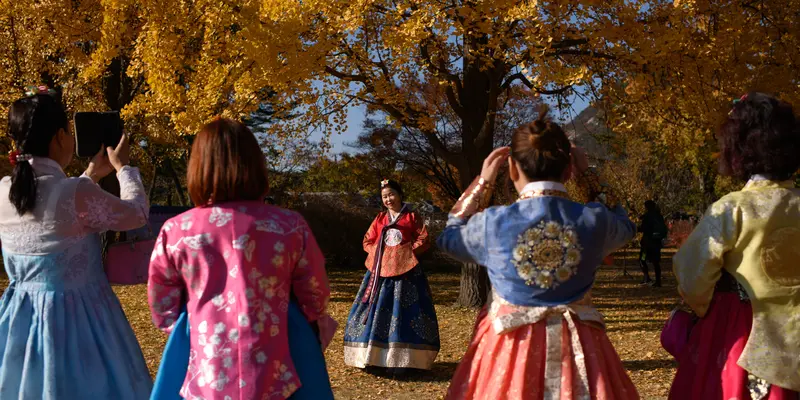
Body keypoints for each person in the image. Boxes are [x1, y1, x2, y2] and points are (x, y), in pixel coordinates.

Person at [437, 107, 639, 399]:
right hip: (582, 348)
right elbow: (625, 223)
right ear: (569, 169)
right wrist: (589, 178)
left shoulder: (493, 223)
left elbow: (449, 236)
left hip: (509, 346)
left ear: (513, 169)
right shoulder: (595, 220)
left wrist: (481, 184)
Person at [147, 118, 337, 400]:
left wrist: (194, 329)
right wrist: (302, 322)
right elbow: (315, 294)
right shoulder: (288, 226)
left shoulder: (177, 230)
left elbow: (161, 303)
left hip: (206, 370)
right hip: (276, 369)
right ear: (255, 164)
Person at [0, 86, 152, 398]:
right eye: (68, 131)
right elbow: (136, 213)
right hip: (80, 321)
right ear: (58, 137)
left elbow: (53, 214)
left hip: (19, 319)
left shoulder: (5, 190)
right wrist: (124, 169)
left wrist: (89, 177)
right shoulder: (74, 194)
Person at [668, 92, 800, 398]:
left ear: (737, 149)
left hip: (741, 333)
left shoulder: (733, 209)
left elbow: (692, 275)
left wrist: (703, 307)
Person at [343, 179, 439, 373]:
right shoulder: (379, 219)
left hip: (407, 274)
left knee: (405, 312)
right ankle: (373, 358)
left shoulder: (412, 216)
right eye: (385, 196)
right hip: (379, 273)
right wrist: (380, 253)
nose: (388, 199)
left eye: (391, 194)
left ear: (400, 194)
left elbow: (424, 237)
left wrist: (408, 252)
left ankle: (406, 361)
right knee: (377, 311)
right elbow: (367, 240)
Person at [639, 200, 667, 287]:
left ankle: (647, 277)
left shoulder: (647, 216)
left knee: (642, 259)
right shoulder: (659, 216)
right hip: (656, 242)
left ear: (647, 207)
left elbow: (643, 228)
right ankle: (658, 281)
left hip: (647, 243)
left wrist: (635, 228)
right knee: (656, 262)